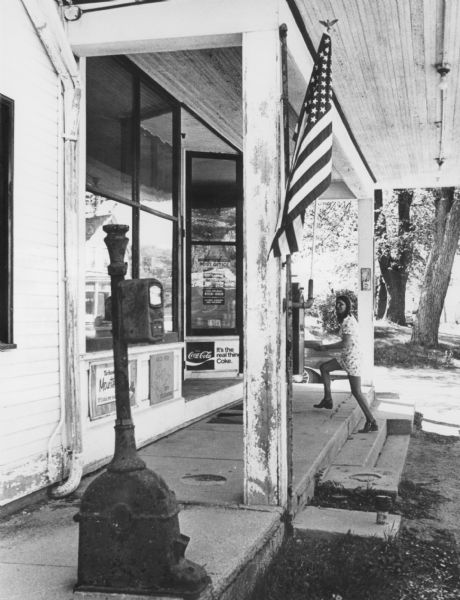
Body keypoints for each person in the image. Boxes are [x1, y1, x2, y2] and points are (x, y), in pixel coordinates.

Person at [309, 294, 378, 433]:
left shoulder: (348, 322)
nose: (338, 307)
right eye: (337, 304)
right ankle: (328, 399)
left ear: (347, 306)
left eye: (341, 304)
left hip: (352, 359)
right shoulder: (347, 319)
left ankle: (372, 421)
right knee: (324, 368)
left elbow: (346, 343)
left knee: (356, 392)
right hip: (346, 357)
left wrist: (326, 347)